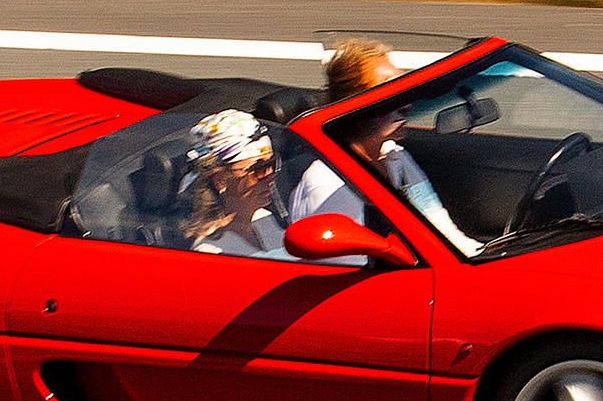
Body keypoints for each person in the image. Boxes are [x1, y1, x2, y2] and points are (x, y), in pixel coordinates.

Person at [292, 39, 485, 256]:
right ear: (353, 106)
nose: (406, 105)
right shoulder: (328, 184)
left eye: (401, 91)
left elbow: (444, 232)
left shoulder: (396, 156)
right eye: (388, 94)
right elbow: (346, 272)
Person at [180, 109, 288, 258]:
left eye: (273, 163)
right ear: (220, 179)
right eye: (258, 169)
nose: (271, 176)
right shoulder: (211, 252)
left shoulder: (264, 218)